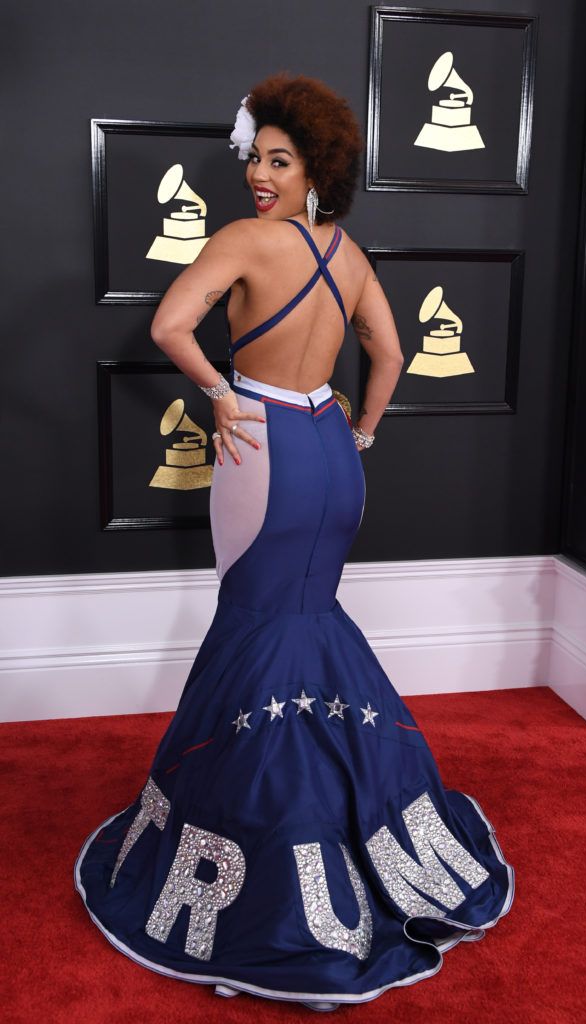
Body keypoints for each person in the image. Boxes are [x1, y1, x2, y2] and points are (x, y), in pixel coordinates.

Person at [74, 72, 514, 1012]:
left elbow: (167, 324)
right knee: (309, 618)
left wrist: (224, 397)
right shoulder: (348, 255)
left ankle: (265, 833)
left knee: (253, 622)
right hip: (331, 451)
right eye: (255, 160)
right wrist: (359, 435)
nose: (258, 177)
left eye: (279, 159)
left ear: (316, 165)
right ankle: (354, 813)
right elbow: (388, 356)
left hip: (263, 446)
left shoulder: (242, 243)